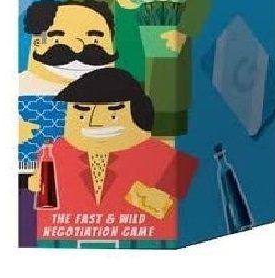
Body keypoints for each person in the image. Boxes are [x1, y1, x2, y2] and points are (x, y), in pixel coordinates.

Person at [65, 0, 211, 138]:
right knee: (111, 135)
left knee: (161, 137)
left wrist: (182, 32)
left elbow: (199, 5)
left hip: (161, 90)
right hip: (109, 87)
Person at [29, 68, 198, 246]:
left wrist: (164, 204)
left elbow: (197, 208)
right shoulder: (52, 153)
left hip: (144, 244)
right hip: (63, 243)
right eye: (82, 111)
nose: (95, 122)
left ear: (140, 112)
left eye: (113, 112)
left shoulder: (169, 158)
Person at [18, 0, 118, 246]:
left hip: (101, 194)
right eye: (58, 38)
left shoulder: (121, 92)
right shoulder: (21, 89)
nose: (77, 48)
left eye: (95, 38)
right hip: (31, 190)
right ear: (37, 42)